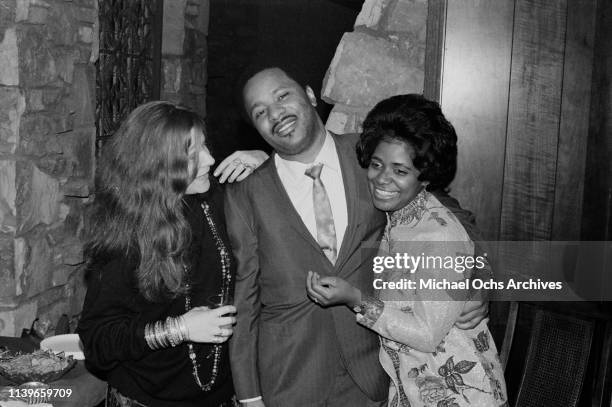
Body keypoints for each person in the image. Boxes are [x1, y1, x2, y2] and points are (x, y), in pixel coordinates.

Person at [225, 67, 489, 407]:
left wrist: (480, 278)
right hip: (290, 381)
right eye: (260, 112)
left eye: (282, 96)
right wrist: (249, 397)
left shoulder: (370, 158)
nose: (275, 113)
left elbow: (453, 216)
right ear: (255, 128)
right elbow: (244, 300)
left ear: (308, 94)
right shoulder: (245, 194)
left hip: (373, 374)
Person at [306, 94, 508, 407]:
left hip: (459, 392)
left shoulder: (438, 234)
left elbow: (427, 334)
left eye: (400, 171)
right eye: (376, 164)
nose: (382, 179)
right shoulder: (398, 212)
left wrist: (356, 299)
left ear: (424, 176)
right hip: (411, 387)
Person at [77, 101, 267, 407]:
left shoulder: (215, 197)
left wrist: (267, 163)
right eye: (192, 155)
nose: (210, 159)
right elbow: (97, 341)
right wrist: (179, 329)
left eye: (205, 146)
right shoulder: (125, 238)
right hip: (147, 399)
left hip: (222, 395)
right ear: (158, 165)